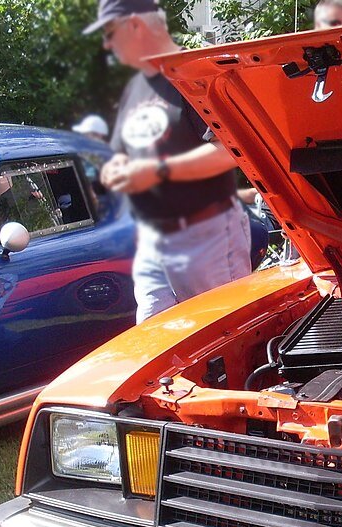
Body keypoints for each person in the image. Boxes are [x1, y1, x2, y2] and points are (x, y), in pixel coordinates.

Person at [84, 0, 251, 323]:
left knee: (219, 335)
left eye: (109, 32)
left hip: (207, 233)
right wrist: (116, 168)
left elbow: (233, 151)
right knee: (153, 336)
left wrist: (158, 171)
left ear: (135, 25)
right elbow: (129, 155)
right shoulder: (136, 86)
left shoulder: (192, 73)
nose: (106, 43)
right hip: (153, 235)